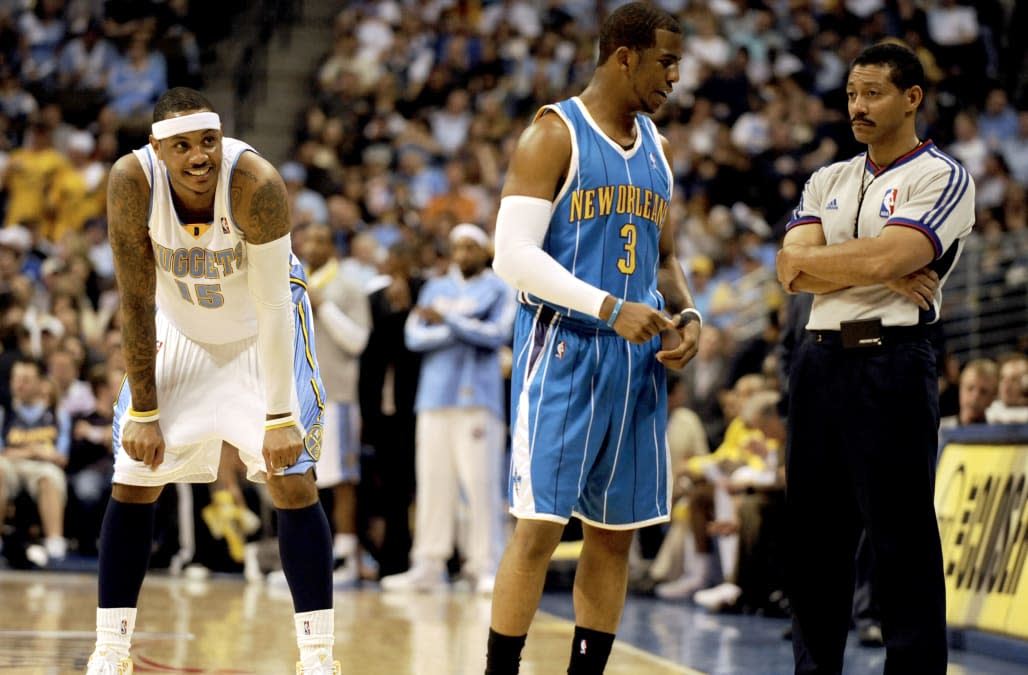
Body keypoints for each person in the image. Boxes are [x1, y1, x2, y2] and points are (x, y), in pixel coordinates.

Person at [85, 87, 338, 675]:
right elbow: (136, 298)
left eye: (208, 142)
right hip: (182, 329)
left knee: (292, 478)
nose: (199, 157)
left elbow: (276, 305)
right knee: (134, 472)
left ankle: (318, 655)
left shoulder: (256, 183)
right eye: (183, 146)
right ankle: (111, 648)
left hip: (259, 330)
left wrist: (279, 418)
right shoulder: (131, 182)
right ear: (157, 148)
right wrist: (144, 409)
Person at [484, 5, 701, 674]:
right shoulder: (554, 134)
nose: (674, 76)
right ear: (624, 56)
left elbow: (665, 259)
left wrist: (688, 312)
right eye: (665, 61)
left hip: (635, 362)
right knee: (539, 530)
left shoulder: (658, 147)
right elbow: (511, 256)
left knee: (614, 537)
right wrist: (608, 307)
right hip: (564, 350)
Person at [775, 42, 975, 675]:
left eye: (873, 94)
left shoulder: (941, 175)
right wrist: (882, 264)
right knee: (813, 543)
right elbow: (788, 268)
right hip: (817, 364)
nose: (857, 106)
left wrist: (870, 263)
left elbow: (890, 258)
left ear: (911, 98)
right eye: (852, 95)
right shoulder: (825, 178)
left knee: (901, 543)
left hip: (891, 361)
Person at [380, 223, 514, 595]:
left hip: (478, 400)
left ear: (484, 251)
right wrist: (466, 326)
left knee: (481, 484)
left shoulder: (500, 289)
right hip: (435, 398)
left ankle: (485, 565)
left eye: (471, 247)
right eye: (458, 247)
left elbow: (498, 335)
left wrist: (450, 321)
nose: (464, 254)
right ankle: (428, 564)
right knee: (433, 484)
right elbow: (415, 336)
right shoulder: (436, 287)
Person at [301, 221, 372, 585]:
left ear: (333, 246)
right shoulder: (292, 285)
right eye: (308, 238)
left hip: (337, 397)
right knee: (301, 477)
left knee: (342, 480)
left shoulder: (346, 286)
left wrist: (322, 305)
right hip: (299, 397)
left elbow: (357, 341)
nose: (313, 244)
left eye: (321, 238)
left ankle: (345, 555)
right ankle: (306, 555)